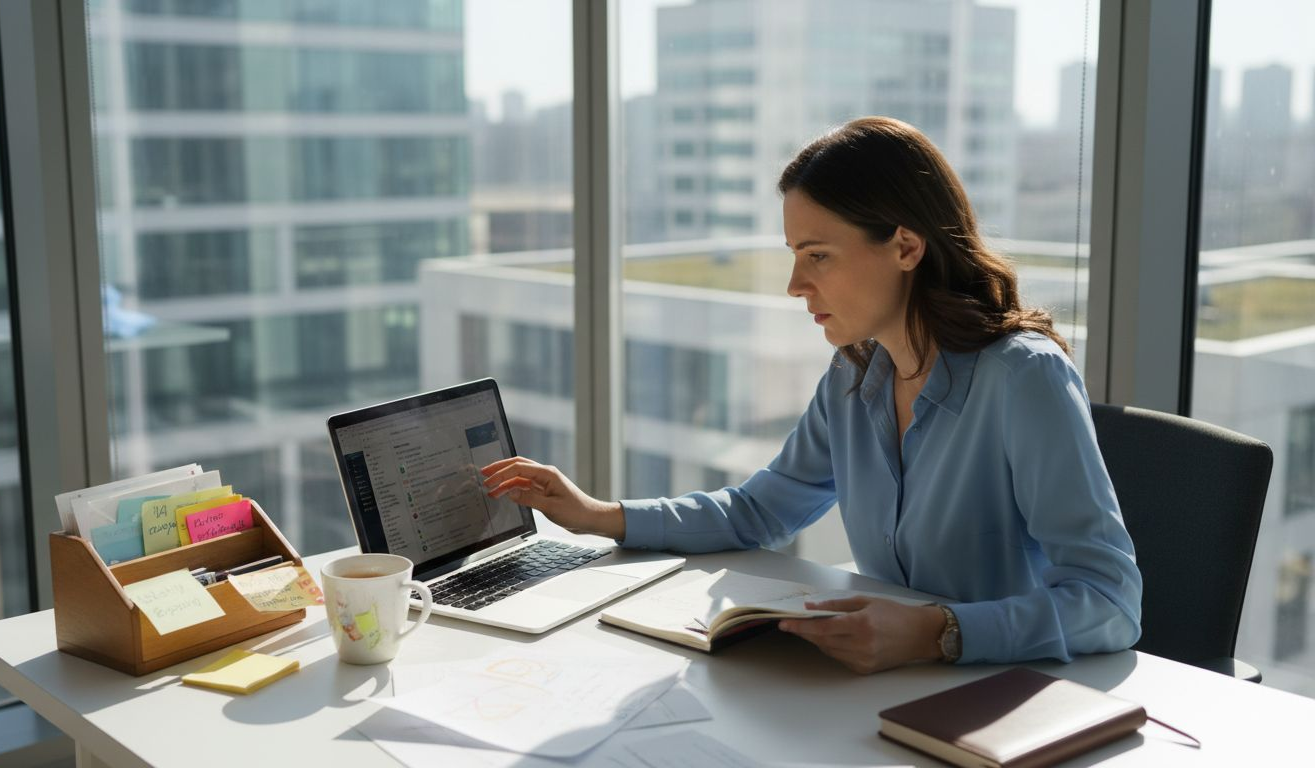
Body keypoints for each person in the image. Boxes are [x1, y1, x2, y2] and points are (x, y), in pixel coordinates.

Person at [480, 116, 1142, 675]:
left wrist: (938, 631)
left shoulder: (1022, 377)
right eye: (795, 254)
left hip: (995, 698)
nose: (796, 284)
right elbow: (757, 511)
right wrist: (600, 515)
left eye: (818, 255)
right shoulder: (857, 375)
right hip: (879, 691)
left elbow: (1110, 601)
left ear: (905, 246)